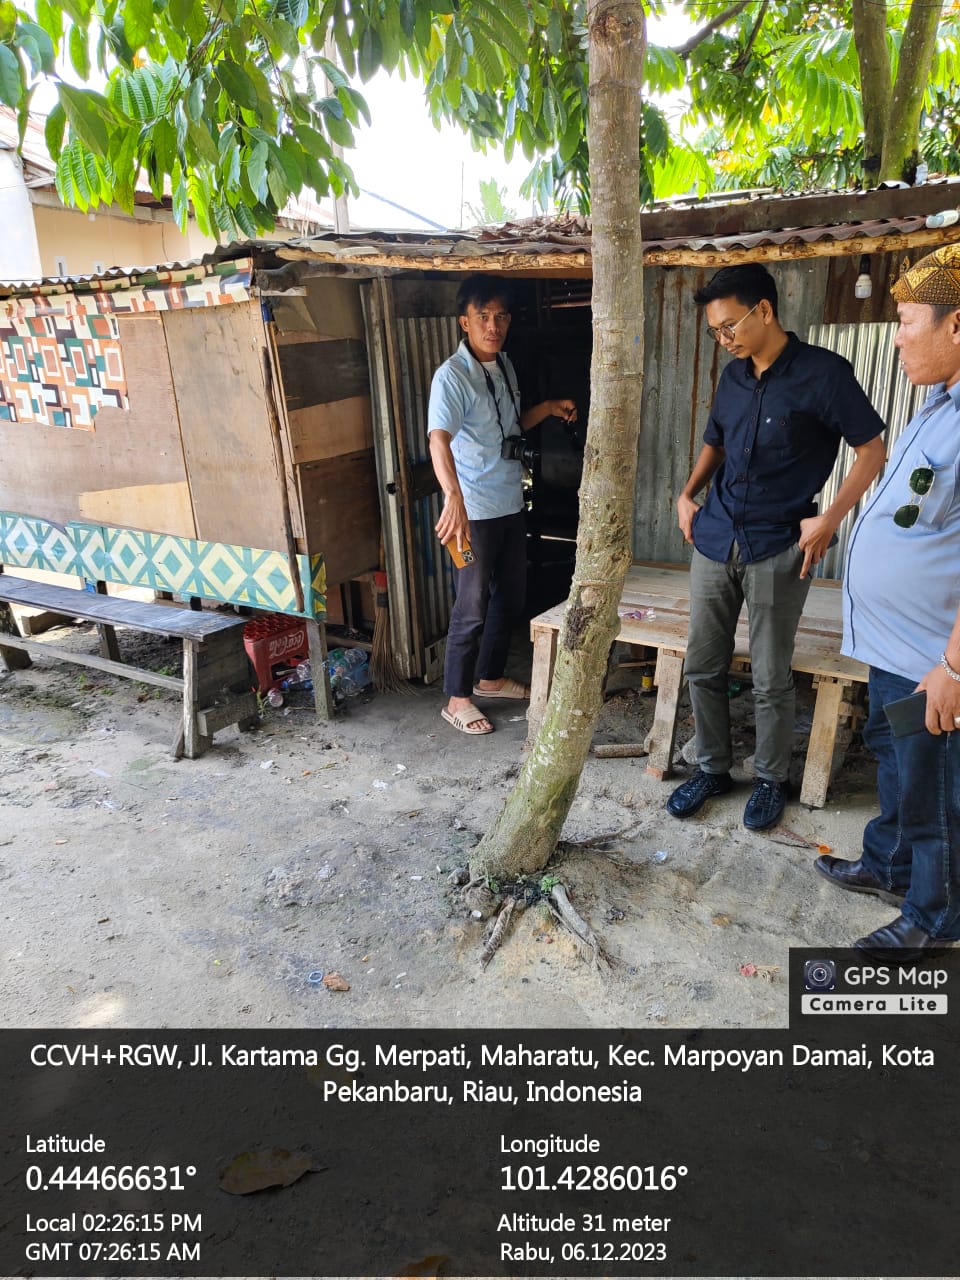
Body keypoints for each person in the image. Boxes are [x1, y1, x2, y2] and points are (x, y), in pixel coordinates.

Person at [667, 264, 887, 830]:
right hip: (715, 537)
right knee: (703, 665)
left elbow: (872, 450)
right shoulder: (733, 377)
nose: (724, 339)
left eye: (729, 326)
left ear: (764, 310)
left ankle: (770, 779)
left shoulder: (824, 374)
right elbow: (716, 441)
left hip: (778, 543)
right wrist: (687, 495)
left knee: (770, 674)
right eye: (715, 331)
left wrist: (830, 518)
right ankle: (713, 768)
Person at [815, 243, 960, 959]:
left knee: (936, 793)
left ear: (956, 325)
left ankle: (936, 916)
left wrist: (954, 668)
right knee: (896, 763)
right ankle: (890, 865)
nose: (896, 338)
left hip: (935, 658)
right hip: (894, 648)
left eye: (906, 322)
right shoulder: (938, 404)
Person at [428, 275, 577, 735]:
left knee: (510, 595)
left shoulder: (505, 366)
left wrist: (548, 407)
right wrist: (453, 497)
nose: (493, 326)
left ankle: (489, 678)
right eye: (483, 317)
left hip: (509, 501)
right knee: (471, 604)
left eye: (500, 317)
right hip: (471, 513)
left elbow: (509, 429)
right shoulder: (452, 376)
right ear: (464, 322)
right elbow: (438, 440)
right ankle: (457, 698)